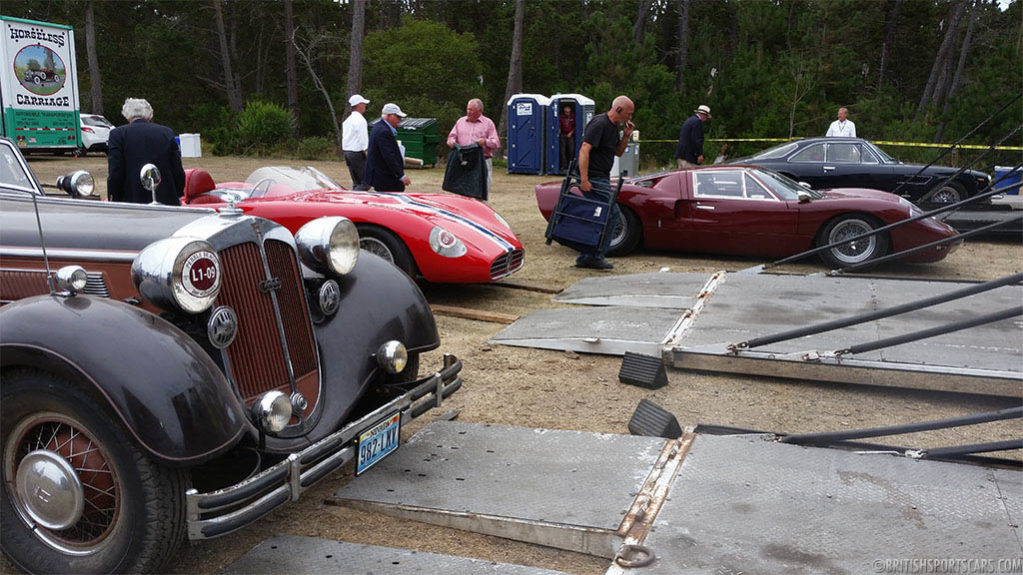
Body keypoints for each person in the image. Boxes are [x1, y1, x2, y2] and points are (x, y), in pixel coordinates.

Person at [574, 95, 636, 271]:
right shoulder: (600, 123)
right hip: (592, 177)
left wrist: (626, 136)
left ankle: (587, 256)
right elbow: (585, 149)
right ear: (618, 110)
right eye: (628, 114)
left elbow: (617, 153)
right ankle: (595, 255)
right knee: (612, 213)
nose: (629, 118)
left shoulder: (613, 127)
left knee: (600, 215)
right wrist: (584, 179)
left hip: (602, 176)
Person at [107, 98, 185, 205]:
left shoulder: (118, 135)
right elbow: (177, 170)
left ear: (126, 115)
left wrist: (114, 196)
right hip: (166, 198)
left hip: (131, 199)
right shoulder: (166, 132)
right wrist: (178, 193)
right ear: (150, 115)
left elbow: (116, 171)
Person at [446, 98, 500, 193]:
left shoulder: (488, 123)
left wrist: (485, 142)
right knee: (461, 191)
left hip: (482, 162)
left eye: (472, 110)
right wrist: (451, 141)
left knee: (481, 191)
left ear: (480, 111)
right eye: (468, 109)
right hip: (463, 162)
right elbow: (451, 137)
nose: (469, 112)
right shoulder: (460, 122)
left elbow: (496, 143)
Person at [364, 103, 411, 192]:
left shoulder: (379, 127)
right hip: (384, 178)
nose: (400, 119)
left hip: (381, 177)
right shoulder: (383, 131)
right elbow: (389, 156)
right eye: (397, 116)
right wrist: (401, 175)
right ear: (389, 116)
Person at [341, 94, 371, 190]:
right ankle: (353, 198)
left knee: (356, 182)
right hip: (357, 153)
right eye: (364, 104)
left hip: (347, 152)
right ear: (359, 105)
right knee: (365, 183)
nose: (365, 106)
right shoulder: (360, 120)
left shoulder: (348, 120)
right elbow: (363, 139)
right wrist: (368, 153)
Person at [675, 104, 711, 169]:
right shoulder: (697, 122)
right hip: (688, 156)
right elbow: (697, 139)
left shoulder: (690, 120)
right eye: (706, 117)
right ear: (703, 115)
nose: (705, 120)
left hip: (681, 154)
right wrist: (699, 154)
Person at [558, 103, 576, 173]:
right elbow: (558, 125)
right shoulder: (561, 117)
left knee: (571, 150)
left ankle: (571, 166)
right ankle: (564, 166)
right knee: (562, 151)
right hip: (563, 135)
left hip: (570, 135)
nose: (567, 113)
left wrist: (571, 133)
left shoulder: (573, 117)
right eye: (566, 112)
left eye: (568, 112)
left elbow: (575, 126)